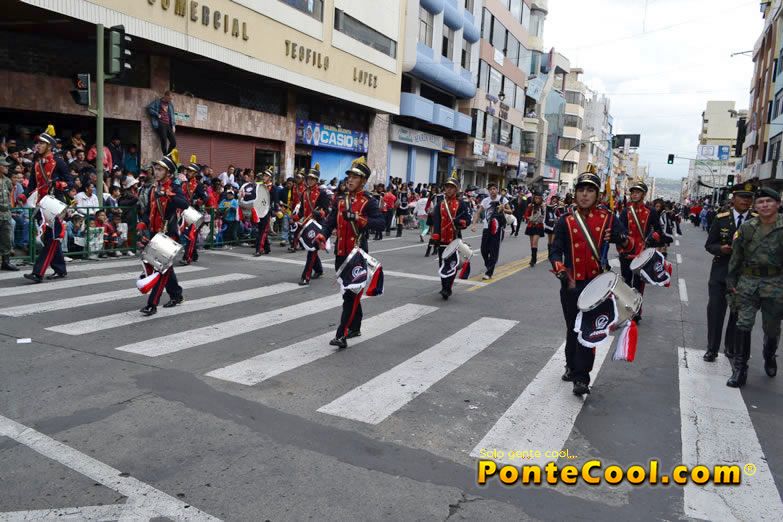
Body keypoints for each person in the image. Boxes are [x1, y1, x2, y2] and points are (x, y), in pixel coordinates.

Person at [549, 171, 633, 396]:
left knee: (588, 329)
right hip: (571, 283)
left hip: (596, 285)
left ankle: (581, 377)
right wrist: (560, 269)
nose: (585, 195)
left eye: (590, 190)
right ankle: (570, 365)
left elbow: (629, 244)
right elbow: (555, 251)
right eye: (581, 190)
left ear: (597, 195)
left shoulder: (608, 218)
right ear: (575, 193)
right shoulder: (565, 220)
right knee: (572, 328)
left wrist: (620, 238)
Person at [316, 157, 385, 349]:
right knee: (349, 292)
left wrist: (359, 219)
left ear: (363, 180)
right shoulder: (340, 200)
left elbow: (381, 223)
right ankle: (355, 327)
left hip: (357, 255)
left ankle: (342, 334)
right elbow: (330, 222)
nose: (350, 179)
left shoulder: (369, 202)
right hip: (340, 253)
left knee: (350, 296)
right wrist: (322, 234)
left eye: (355, 177)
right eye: (350, 176)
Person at [726, 186, 782, 387]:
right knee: (743, 323)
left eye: (769, 201)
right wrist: (731, 282)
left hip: (776, 283)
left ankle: (769, 354)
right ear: (756, 206)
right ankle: (740, 369)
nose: (764, 205)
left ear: (778, 204)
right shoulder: (747, 227)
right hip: (748, 282)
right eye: (760, 202)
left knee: (772, 327)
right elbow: (736, 256)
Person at [703, 183, 757, 363]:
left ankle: (730, 347)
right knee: (715, 312)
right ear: (733, 199)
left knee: (737, 314)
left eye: (749, 198)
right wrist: (720, 249)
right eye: (742, 197)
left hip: (743, 276)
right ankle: (712, 349)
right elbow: (709, 244)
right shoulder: (721, 218)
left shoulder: (756, 221)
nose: (746, 201)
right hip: (720, 273)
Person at [138, 154, 189, 315]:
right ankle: (177, 295)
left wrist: (168, 194)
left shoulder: (174, 187)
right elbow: (148, 210)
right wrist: (143, 222)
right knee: (165, 268)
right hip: (155, 233)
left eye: (160, 169)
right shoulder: (154, 188)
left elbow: (185, 204)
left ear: (168, 172)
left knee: (161, 269)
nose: (156, 172)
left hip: (168, 234)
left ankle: (152, 304)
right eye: (156, 169)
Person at [24, 126, 71, 283]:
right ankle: (60, 269)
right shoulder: (37, 163)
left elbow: (70, 183)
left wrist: (58, 185)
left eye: (42, 143)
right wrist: (24, 195)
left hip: (55, 205)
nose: (38, 145)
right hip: (41, 205)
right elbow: (32, 185)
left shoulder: (59, 162)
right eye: (38, 143)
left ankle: (38, 273)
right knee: (49, 239)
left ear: (49, 146)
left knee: (52, 239)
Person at [617, 179, 662, 321]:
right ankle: (626, 310)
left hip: (642, 254)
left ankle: (636, 311)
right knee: (625, 283)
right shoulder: (625, 211)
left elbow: (658, 231)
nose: (634, 194)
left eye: (638, 192)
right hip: (627, 252)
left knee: (638, 284)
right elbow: (620, 230)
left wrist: (652, 238)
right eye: (633, 192)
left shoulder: (651, 211)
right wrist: (621, 244)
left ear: (643, 194)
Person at [429, 173, 470, 300]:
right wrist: (435, 234)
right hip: (441, 240)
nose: (449, 189)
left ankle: (448, 288)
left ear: (456, 189)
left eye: (452, 187)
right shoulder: (440, 204)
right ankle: (444, 286)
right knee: (442, 264)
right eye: (447, 187)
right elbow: (436, 220)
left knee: (452, 264)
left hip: (454, 239)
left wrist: (461, 222)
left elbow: (467, 220)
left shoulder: (461, 204)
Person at [296, 164, 330, 285]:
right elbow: (301, 211)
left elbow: (326, 211)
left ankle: (306, 277)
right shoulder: (304, 193)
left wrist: (320, 213)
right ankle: (319, 270)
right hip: (307, 224)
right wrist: (294, 218)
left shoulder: (322, 193)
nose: (310, 181)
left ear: (316, 180)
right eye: (308, 178)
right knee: (310, 249)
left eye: (312, 179)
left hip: (318, 225)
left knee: (312, 251)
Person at [474, 182, 509, 279]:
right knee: (483, 250)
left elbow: (510, 211)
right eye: (490, 189)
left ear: (497, 190)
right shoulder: (485, 200)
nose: (492, 191)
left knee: (493, 251)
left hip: (497, 229)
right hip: (486, 228)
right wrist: (474, 225)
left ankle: (489, 273)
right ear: (488, 191)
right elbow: (478, 213)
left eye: (494, 189)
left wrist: (503, 209)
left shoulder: (502, 199)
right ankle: (489, 265)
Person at [0, 155, 18, 270]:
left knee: (6, 239)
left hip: (5, 214)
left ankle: (6, 262)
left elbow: (10, 194)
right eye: (4, 166)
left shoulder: (7, 181)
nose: (7, 168)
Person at [524, 192, 546, 267]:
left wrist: (543, 208)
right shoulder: (531, 206)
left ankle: (533, 259)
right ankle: (533, 257)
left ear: (541, 199)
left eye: (538, 198)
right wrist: (529, 218)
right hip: (531, 225)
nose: (537, 199)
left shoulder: (542, 206)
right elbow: (526, 214)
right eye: (536, 198)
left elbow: (544, 215)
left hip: (538, 226)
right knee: (531, 244)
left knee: (534, 242)